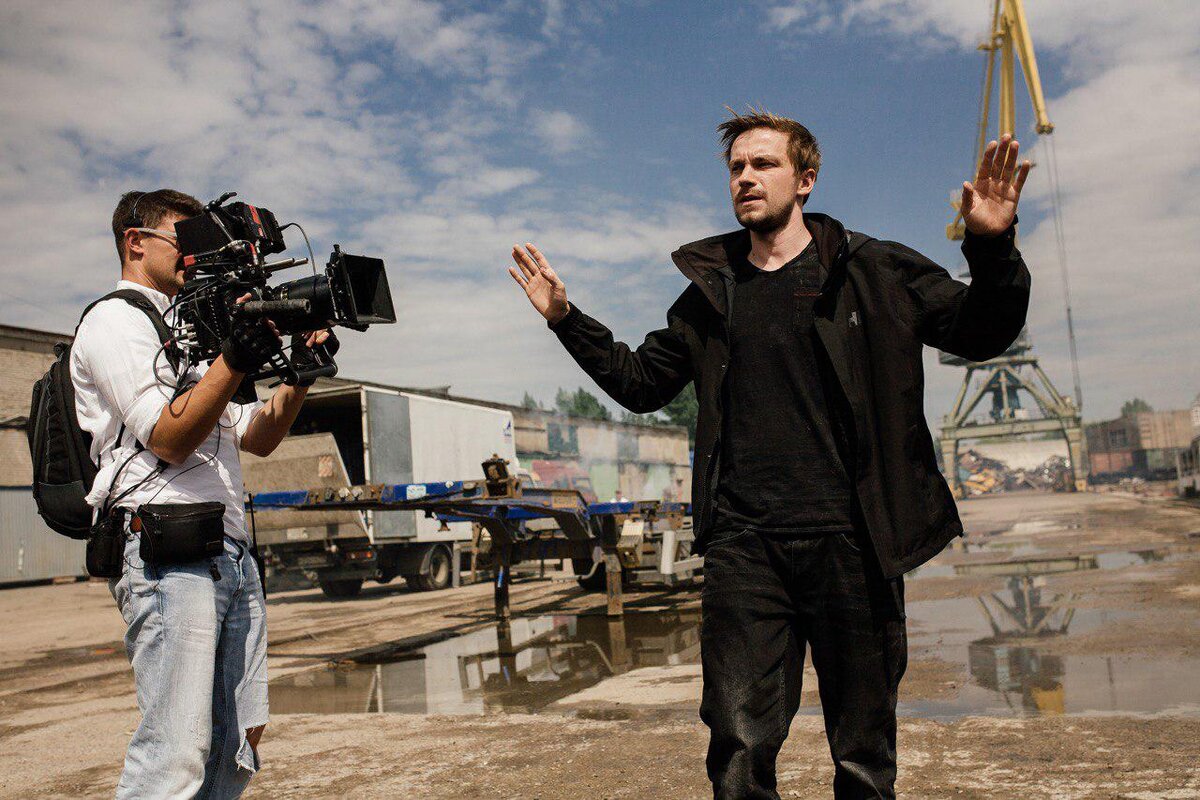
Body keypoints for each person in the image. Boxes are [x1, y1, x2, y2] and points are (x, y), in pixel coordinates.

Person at [509, 109, 1031, 799]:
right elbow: (639, 383)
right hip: (745, 549)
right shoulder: (711, 295)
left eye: (763, 164)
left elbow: (982, 331)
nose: (746, 178)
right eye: (736, 168)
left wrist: (991, 245)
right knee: (738, 748)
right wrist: (565, 319)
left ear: (805, 179)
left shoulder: (874, 270)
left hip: (854, 543)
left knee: (863, 753)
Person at [71, 189, 331, 798]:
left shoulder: (187, 336)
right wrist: (234, 357)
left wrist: (299, 374)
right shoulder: (115, 321)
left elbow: (256, 435)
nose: (199, 256)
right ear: (136, 242)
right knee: (177, 749)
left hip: (228, 552)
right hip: (168, 550)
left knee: (240, 736)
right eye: (186, 241)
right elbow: (168, 438)